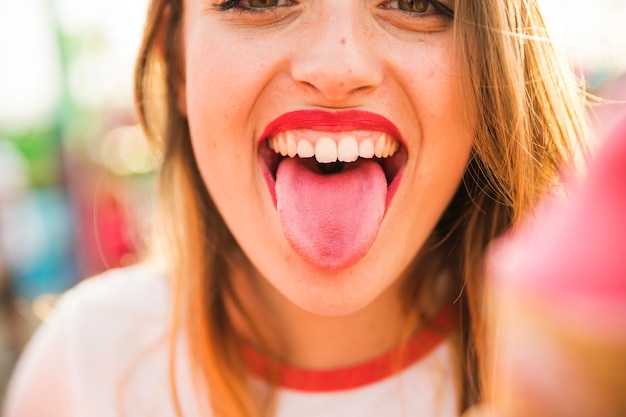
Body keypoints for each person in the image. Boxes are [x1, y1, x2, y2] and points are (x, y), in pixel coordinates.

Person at [4, 1, 593, 416]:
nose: (337, 70)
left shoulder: (588, 375)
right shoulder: (81, 370)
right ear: (175, 61)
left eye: (415, 0)